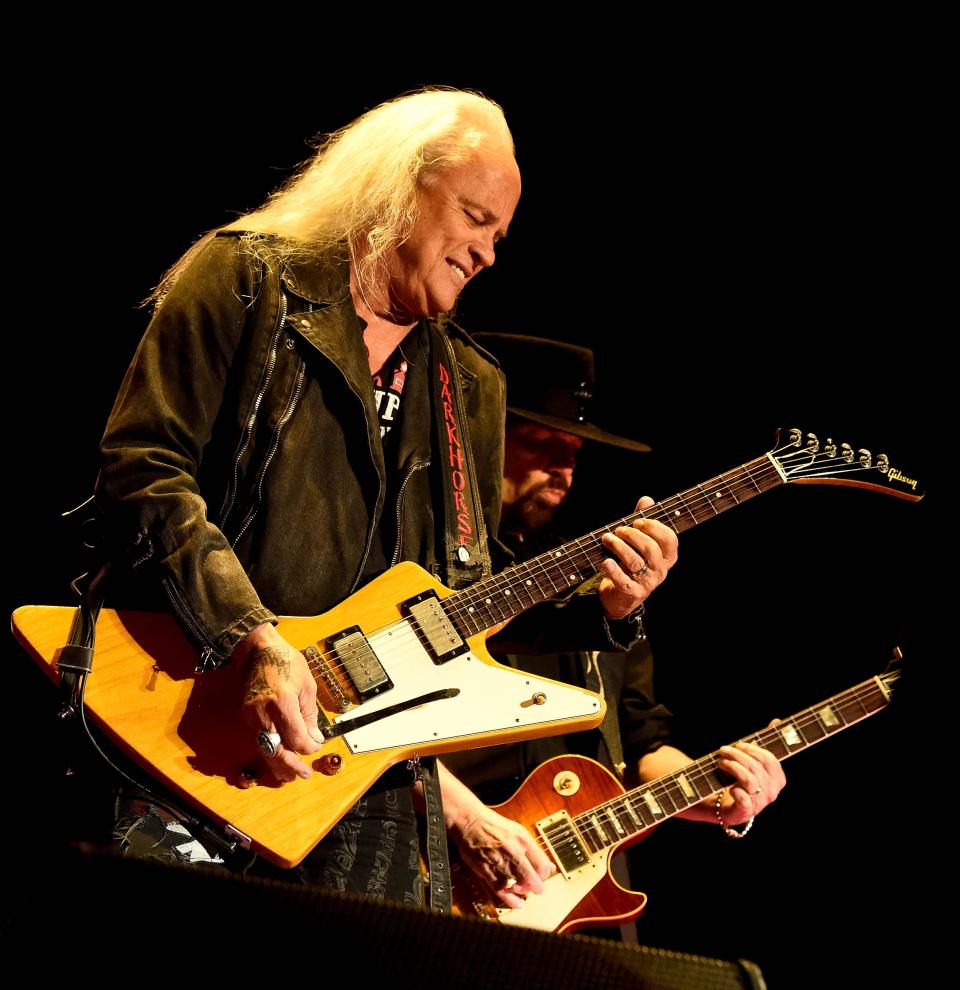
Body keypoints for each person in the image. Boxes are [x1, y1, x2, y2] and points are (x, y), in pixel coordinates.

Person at [93, 89, 678, 907]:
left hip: (371, 778)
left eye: (500, 236)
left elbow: (464, 596)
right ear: (399, 186)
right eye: (476, 218)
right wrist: (252, 638)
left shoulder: (469, 384)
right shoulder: (246, 277)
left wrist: (607, 604)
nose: (488, 254)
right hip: (189, 718)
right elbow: (145, 467)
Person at [437, 334, 786, 923]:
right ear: (477, 440)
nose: (564, 466)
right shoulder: (427, 575)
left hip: (583, 898)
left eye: (574, 449)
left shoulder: (603, 585)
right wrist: (467, 819)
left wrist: (716, 795)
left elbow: (642, 741)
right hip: (439, 872)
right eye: (541, 442)